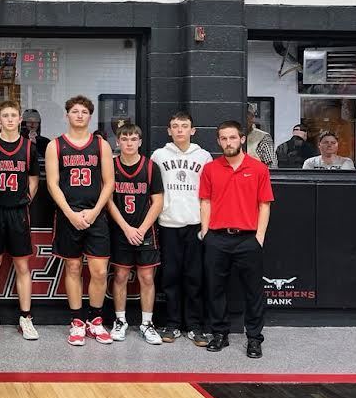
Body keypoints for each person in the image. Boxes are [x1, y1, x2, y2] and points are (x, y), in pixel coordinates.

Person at [199, 120, 274, 359]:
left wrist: (259, 237)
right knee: (215, 288)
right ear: (218, 141)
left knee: (253, 292)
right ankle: (219, 334)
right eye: (223, 138)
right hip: (217, 238)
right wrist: (206, 232)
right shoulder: (211, 168)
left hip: (248, 239)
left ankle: (254, 339)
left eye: (232, 137)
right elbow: (206, 202)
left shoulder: (258, 168)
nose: (228, 142)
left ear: (242, 139)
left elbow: (265, 205)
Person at [45, 95, 115, 346]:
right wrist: (70, 213)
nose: (79, 115)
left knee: (98, 270)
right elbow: (52, 184)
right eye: (74, 111)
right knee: (73, 268)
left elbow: (109, 183)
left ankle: (95, 321)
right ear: (67, 115)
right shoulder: (55, 145)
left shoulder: (101, 145)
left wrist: (95, 211)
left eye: (84, 112)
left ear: (90, 116)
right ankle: (76, 322)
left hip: (95, 215)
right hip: (69, 215)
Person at [150, 112, 213, 346]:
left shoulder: (204, 156)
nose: (179, 130)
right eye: (175, 126)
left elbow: (209, 194)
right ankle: (173, 323)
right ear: (169, 131)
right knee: (170, 277)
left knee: (194, 277)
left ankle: (195, 326)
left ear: (192, 131)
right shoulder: (158, 155)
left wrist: (206, 225)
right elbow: (154, 190)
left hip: (195, 223)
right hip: (168, 223)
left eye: (184, 126)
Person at [0, 100, 40, 340]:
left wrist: (26, 198)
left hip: (18, 212)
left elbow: (34, 178)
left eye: (13, 115)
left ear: (19, 120)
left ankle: (25, 318)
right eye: (4, 115)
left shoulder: (28, 148)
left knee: (22, 266)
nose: (8, 119)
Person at [107, 124, 164, 345]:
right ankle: (120, 321)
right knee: (120, 276)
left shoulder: (151, 167)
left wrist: (140, 229)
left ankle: (147, 323)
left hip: (145, 231)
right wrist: (126, 228)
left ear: (140, 142)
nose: (129, 143)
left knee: (147, 277)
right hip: (122, 230)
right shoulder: (111, 167)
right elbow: (108, 200)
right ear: (118, 142)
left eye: (133, 139)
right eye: (125, 139)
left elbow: (158, 202)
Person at [22, 109, 50, 175]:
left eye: (36, 121)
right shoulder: (19, 140)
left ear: (39, 124)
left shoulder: (46, 141)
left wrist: (36, 143)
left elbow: (48, 159)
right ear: (24, 123)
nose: (32, 124)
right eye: (29, 121)